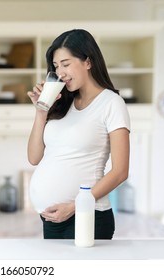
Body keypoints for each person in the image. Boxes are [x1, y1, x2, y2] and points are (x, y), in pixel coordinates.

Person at [27, 29, 130, 239]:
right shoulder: (63, 104)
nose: (61, 72)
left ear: (88, 62)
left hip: (86, 216)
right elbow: (34, 158)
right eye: (56, 66)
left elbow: (120, 171)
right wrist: (41, 112)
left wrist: (74, 206)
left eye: (66, 64)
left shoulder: (111, 103)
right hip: (52, 219)